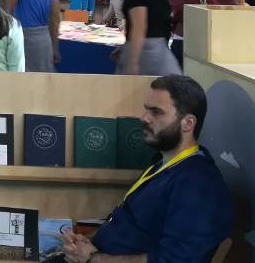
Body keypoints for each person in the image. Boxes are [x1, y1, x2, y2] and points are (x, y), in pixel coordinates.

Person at [61, 75, 233, 263]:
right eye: (146, 109)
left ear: (188, 123)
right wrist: (84, 242)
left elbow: (175, 260)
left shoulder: (198, 184)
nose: (144, 118)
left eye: (156, 112)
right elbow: (127, 224)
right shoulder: (162, 165)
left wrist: (93, 258)